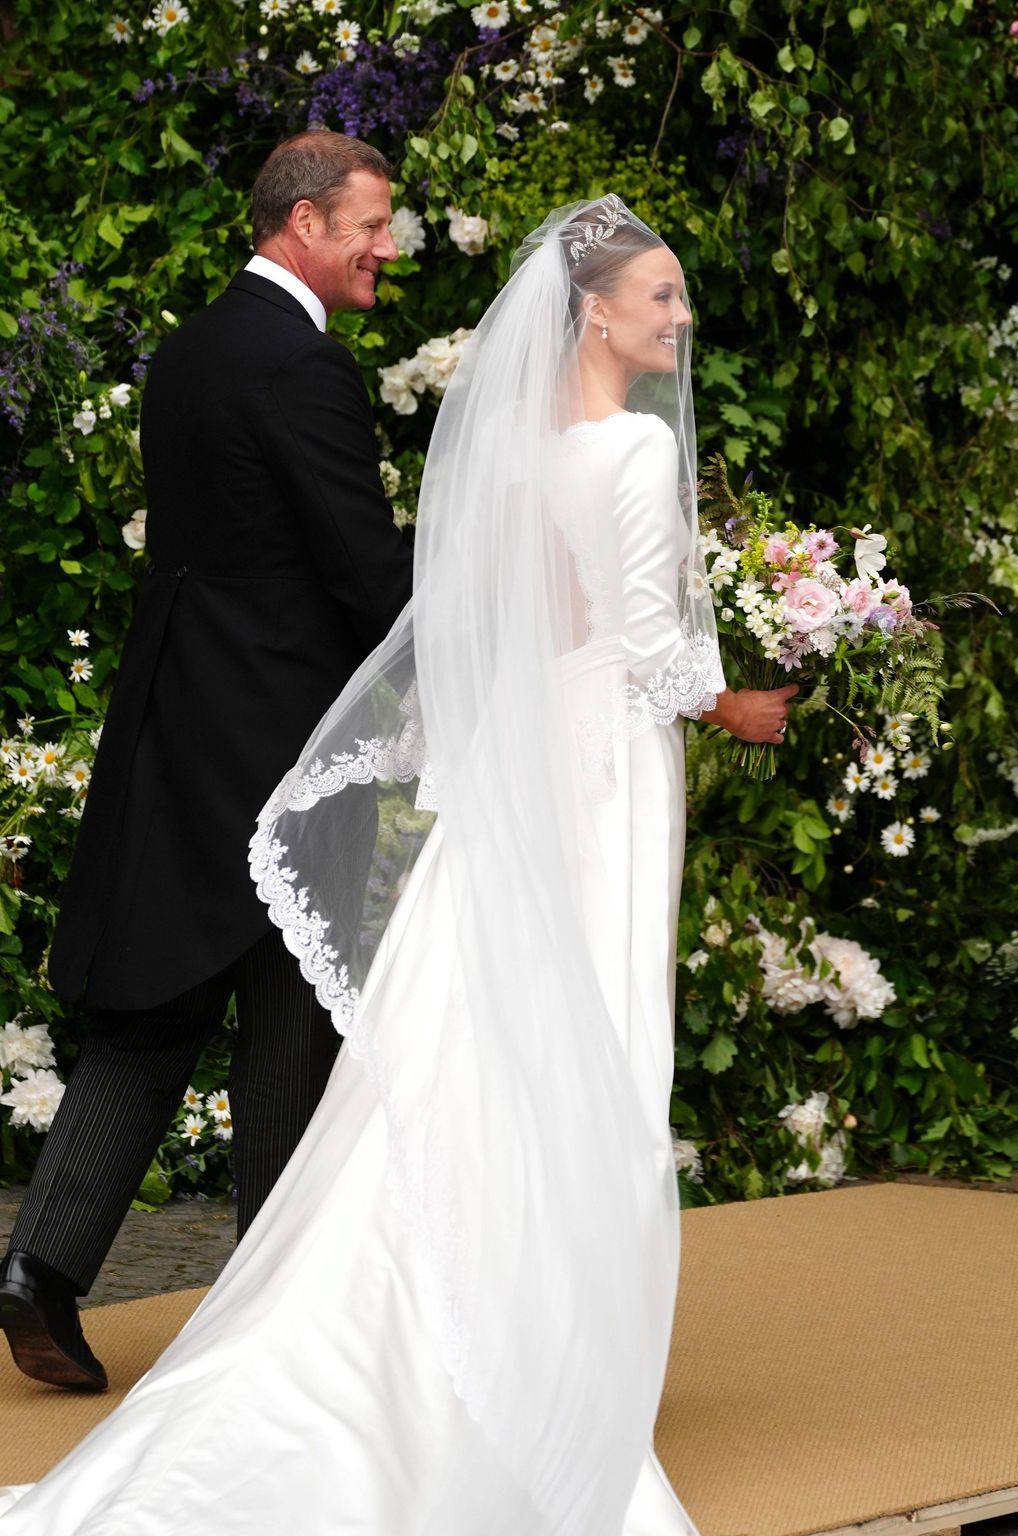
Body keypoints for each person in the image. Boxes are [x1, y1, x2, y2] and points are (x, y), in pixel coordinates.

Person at [0, 196, 795, 1534]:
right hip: (591, 775)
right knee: (581, 1042)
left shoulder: (507, 447)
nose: (681, 318)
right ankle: (525, 1353)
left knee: (443, 1047)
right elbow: (644, 648)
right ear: (595, 309)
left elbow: (504, 615)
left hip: (505, 776)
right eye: (661, 295)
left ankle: (345, 1303)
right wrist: (739, 699)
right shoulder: (631, 455)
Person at [0, 131, 413, 1393]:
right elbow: (359, 572)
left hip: (175, 728)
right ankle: (271, 1318)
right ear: (301, 222)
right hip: (281, 746)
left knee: (156, 1010)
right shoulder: (301, 368)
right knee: (288, 1021)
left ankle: (39, 1268)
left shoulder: (187, 352)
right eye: (369, 224)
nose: (385, 247)